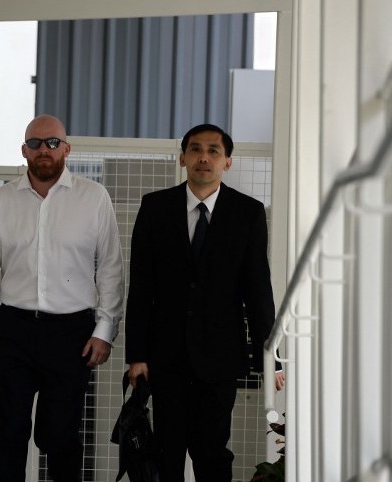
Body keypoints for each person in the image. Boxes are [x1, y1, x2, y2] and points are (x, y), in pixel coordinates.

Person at [0, 114, 125, 481]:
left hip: (72, 333)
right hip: (16, 329)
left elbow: (112, 267)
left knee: (62, 434)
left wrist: (105, 329)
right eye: (35, 143)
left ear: (66, 149)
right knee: (10, 429)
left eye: (53, 143)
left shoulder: (94, 198)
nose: (44, 150)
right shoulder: (1, 201)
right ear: (24, 150)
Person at [124, 123, 282, 482]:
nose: (204, 157)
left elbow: (257, 289)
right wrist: (137, 356)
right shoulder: (155, 208)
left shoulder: (248, 213)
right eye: (196, 149)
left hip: (220, 358)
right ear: (183, 158)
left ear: (227, 162)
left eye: (214, 151)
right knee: (166, 454)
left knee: (212, 454)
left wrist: (270, 354)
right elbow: (141, 288)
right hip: (166, 358)